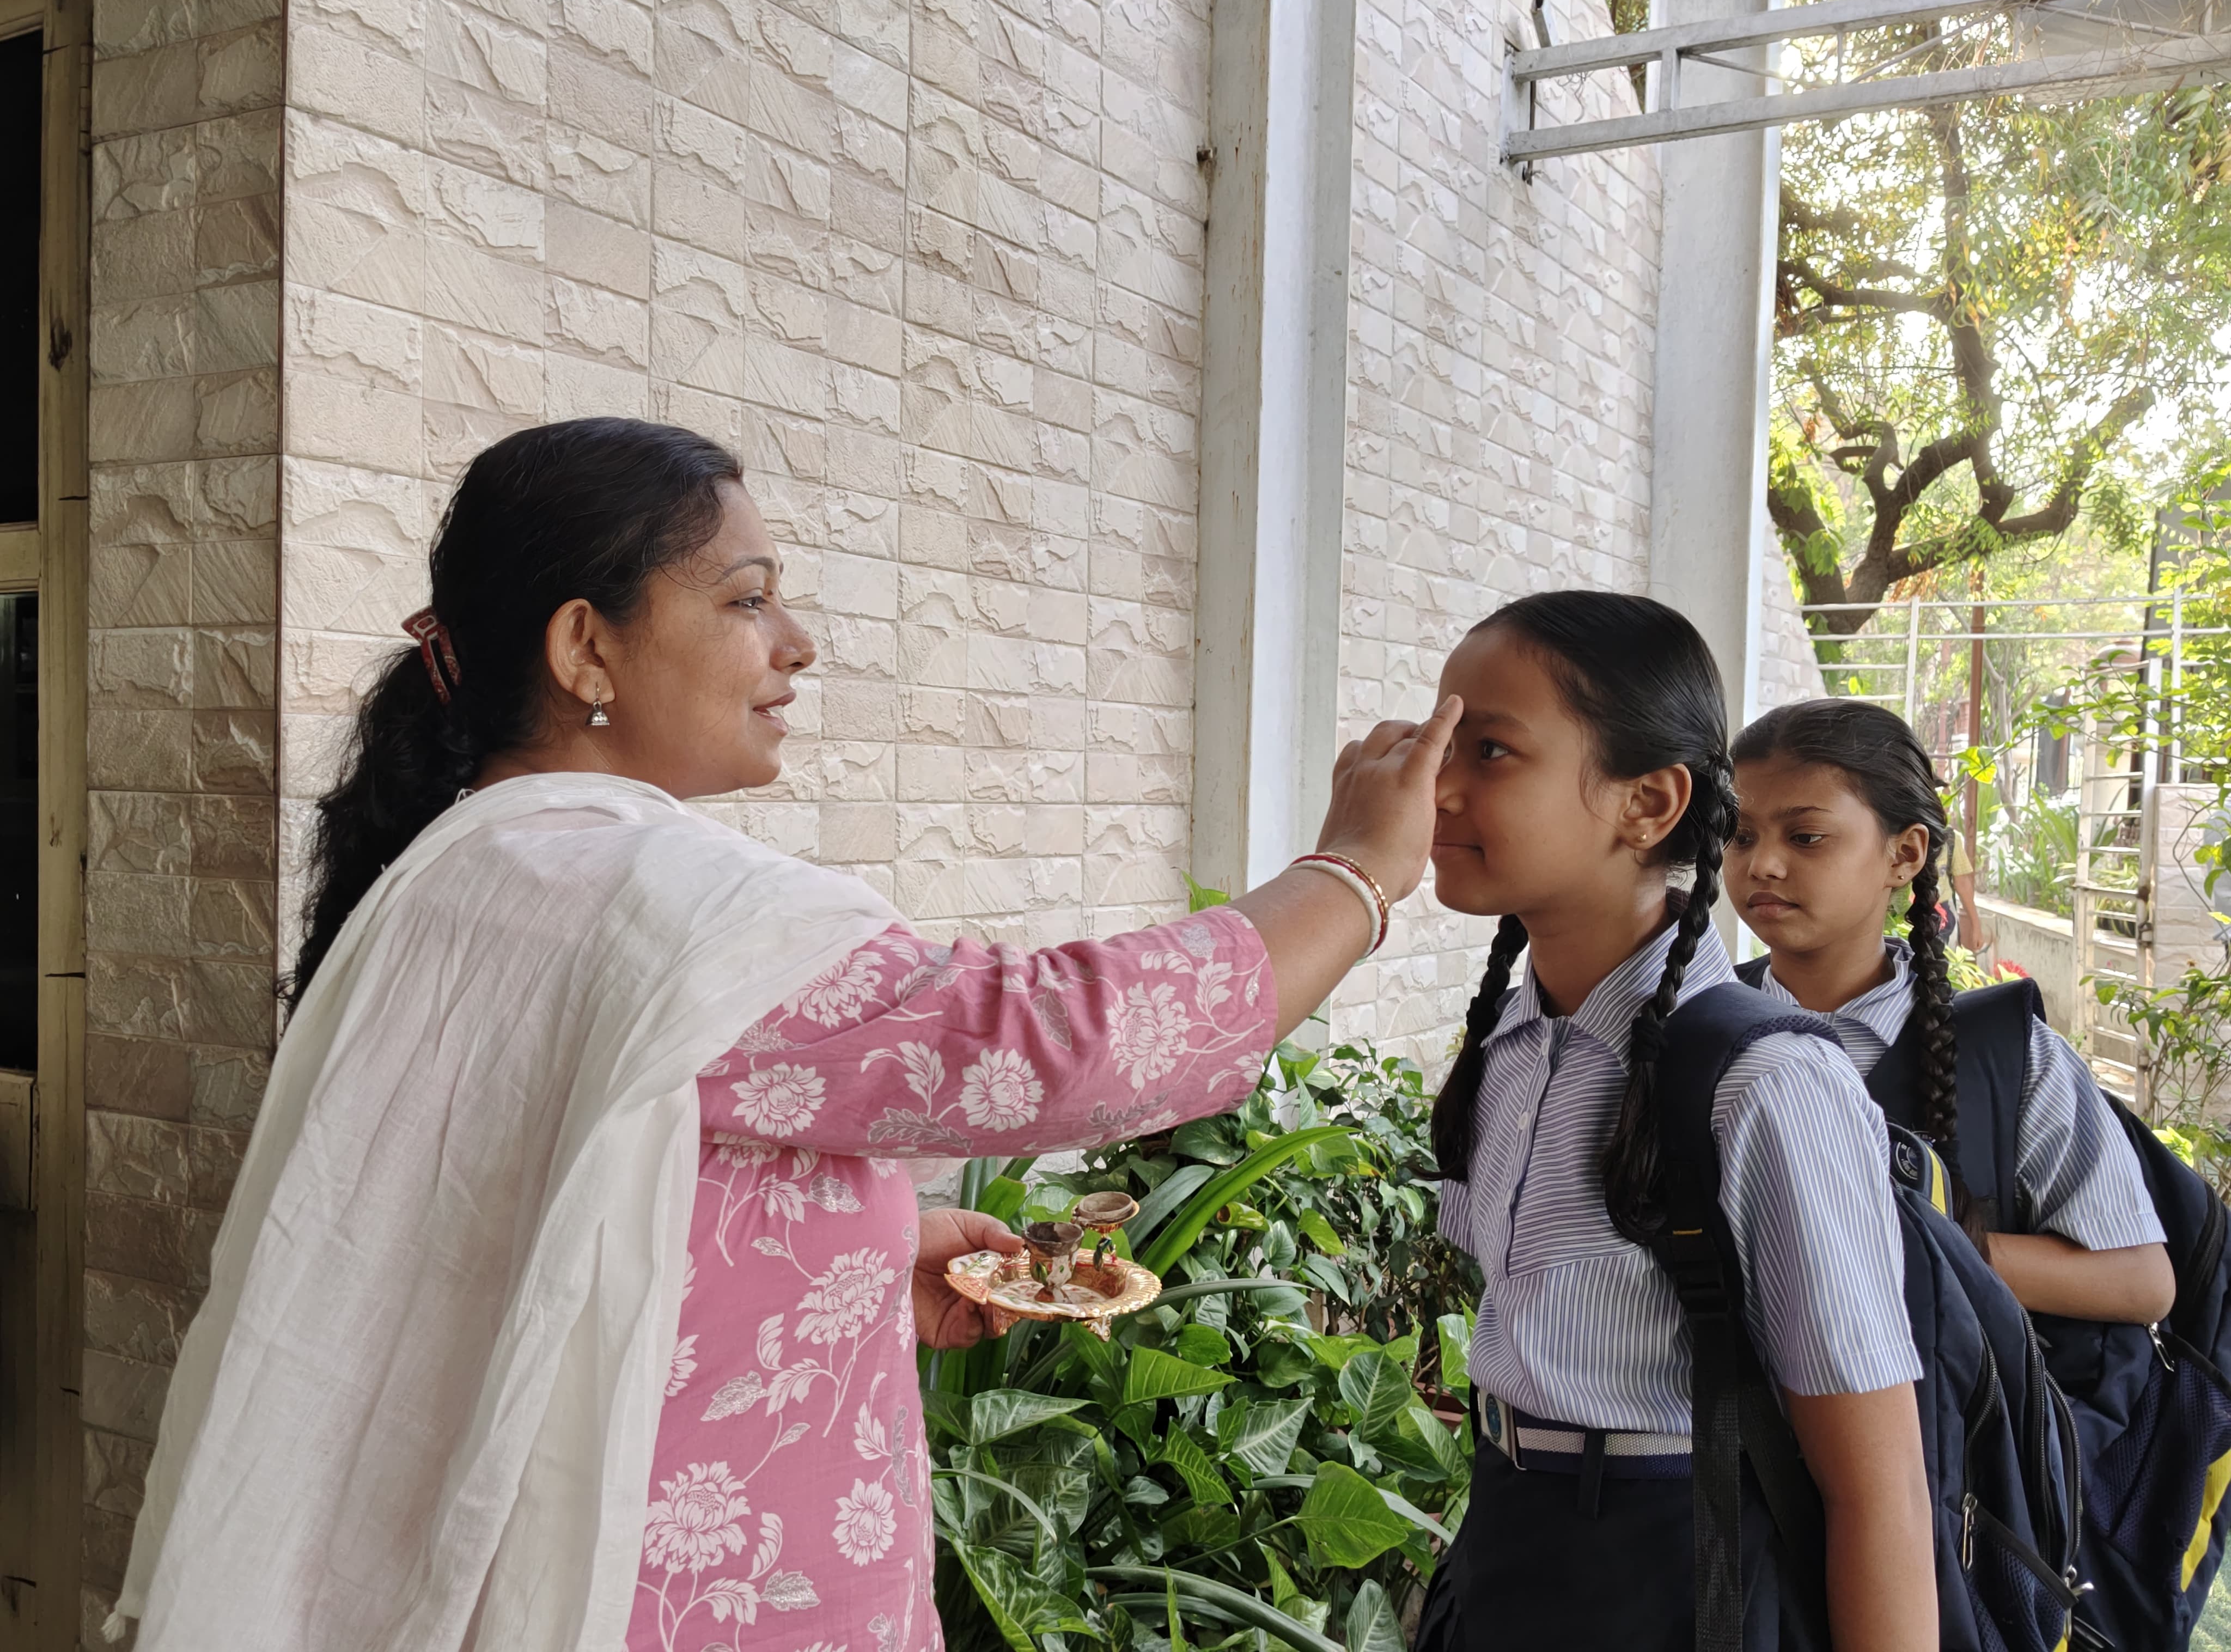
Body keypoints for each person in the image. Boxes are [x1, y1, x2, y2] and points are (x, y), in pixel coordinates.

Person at [106, 418, 1460, 1652]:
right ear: (586, 647)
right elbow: (1055, 1041)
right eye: (747, 600)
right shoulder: (652, 905)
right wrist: (1352, 872)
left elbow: (538, 1217)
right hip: (687, 1602)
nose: (796, 641)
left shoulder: (470, 875)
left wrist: (859, 1250)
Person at [1414, 593, 1935, 1652]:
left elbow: (1875, 1489)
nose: (1438, 785)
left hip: (1674, 1581)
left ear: (1646, 803)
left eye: (1491, 750)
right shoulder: (1510, 1048)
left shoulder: (1764, 1085)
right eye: (1439, 741)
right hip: (1508, 1554)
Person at [1724, 698, 2172, 1325]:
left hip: (1948, 1419)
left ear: (1904, 855)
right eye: (1740, 836)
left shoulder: (2007, 1056)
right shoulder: (1700, 1028)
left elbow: (2138, 1281)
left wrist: (1884, 1239)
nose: (1761, 864)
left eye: (1805, 837)